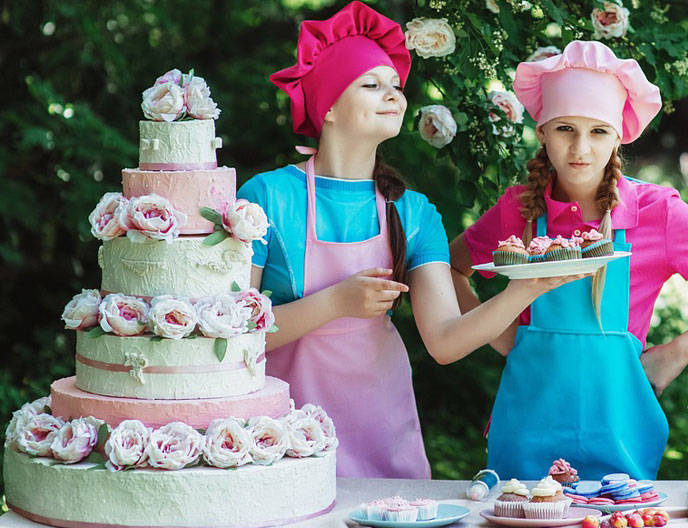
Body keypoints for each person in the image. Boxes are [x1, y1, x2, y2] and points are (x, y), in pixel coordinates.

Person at [240, 1, 579, 479]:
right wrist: (336, 302)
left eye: (396, 87)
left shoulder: (414, 212)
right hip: (282, 431)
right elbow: (231, 339)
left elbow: (444, 341)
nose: (394, 96)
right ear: (328, 106)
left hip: (379, 423)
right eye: (371, 85)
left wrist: (525, 289)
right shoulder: (266, 198)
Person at [450, 40, 688, 480]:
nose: (580, 147)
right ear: (542, 131)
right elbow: (450, 266)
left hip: (621, 434)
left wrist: (678, 352)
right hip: (526, 430)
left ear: (619, 135)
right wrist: (498, 331)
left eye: (598, 131)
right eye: (565, 128)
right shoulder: (518, 210)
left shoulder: (655, 212)